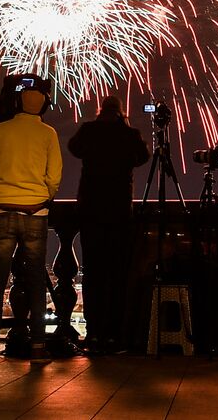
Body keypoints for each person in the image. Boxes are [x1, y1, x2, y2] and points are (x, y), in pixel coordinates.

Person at [0, 82, 62, 364]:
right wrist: (42, 197)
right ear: (44, 107)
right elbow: (55, 176)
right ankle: (38, 347)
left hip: (3, 211)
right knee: (36, 281)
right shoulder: (48, 134)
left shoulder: (1, 130)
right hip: (36, 213)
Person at [67, 96, 149, 355]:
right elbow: (143, 157)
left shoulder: (89, 131)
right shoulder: (129, 134)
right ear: (120, 111)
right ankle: (114, 334)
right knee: (117, 273)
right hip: (118, 212)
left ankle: (94, 333)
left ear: (101, 110)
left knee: (92, 273)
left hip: (91, 209)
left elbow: (74, 148)